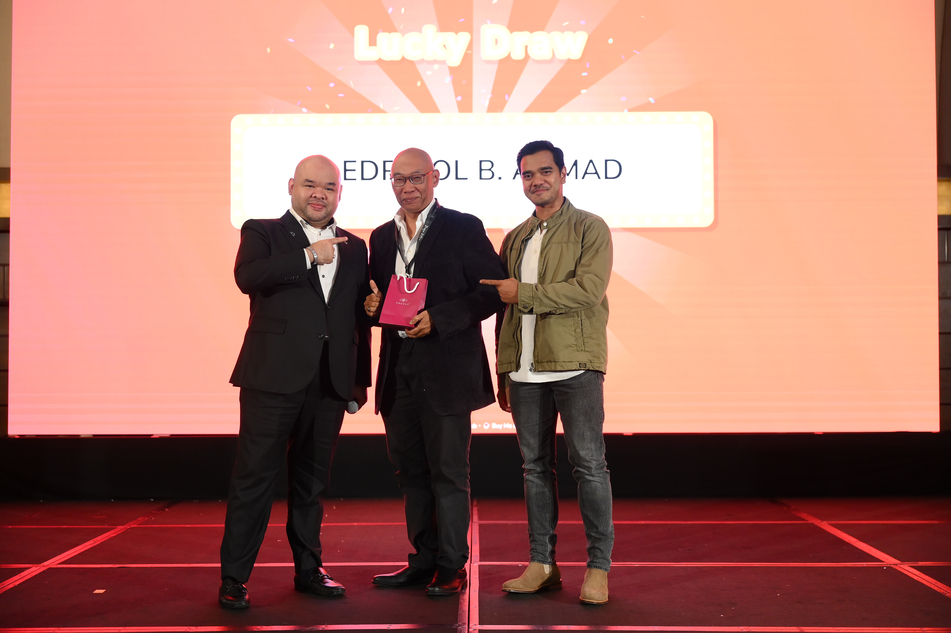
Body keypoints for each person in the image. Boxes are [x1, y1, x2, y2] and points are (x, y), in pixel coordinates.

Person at [219, 155, 372, 609]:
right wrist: (308, 255)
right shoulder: (263, 231)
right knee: (254, 479)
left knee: (312, 483)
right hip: (272, 377)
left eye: (329, 187)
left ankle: (309, 569)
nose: (319, 194)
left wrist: (357, 382)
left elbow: (355, 319)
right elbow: (247, 277)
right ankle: (234, 578)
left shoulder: (356, 247)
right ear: (292, 186)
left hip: (328, 382)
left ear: (339, 193)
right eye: (309, 184)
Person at [364, 148, 505, 596]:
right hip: (397, 369)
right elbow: (379, 299)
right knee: (410, 472)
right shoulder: (380, 237)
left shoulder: (463, 227)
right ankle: (423, 560)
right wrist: (372, 307)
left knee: (448, 471)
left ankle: (451, 564)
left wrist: (440, 319)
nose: (407, 188)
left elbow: (493, 292)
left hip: (446, 369)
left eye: (416, 178)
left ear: (435, 177)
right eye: (398, 179)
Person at [481, 140, 615, 605]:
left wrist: (526, 293)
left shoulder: (590, 227)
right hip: (524, 371)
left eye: (544, 171)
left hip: (575, 365)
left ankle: (598, 568)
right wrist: (504, 368)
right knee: (535, 468)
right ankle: (542, 564)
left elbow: (588, 290)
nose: (536, 180)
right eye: (527, 174)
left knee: (589, 466)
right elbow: (504, 312)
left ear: (562, 174)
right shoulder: (515, 237)